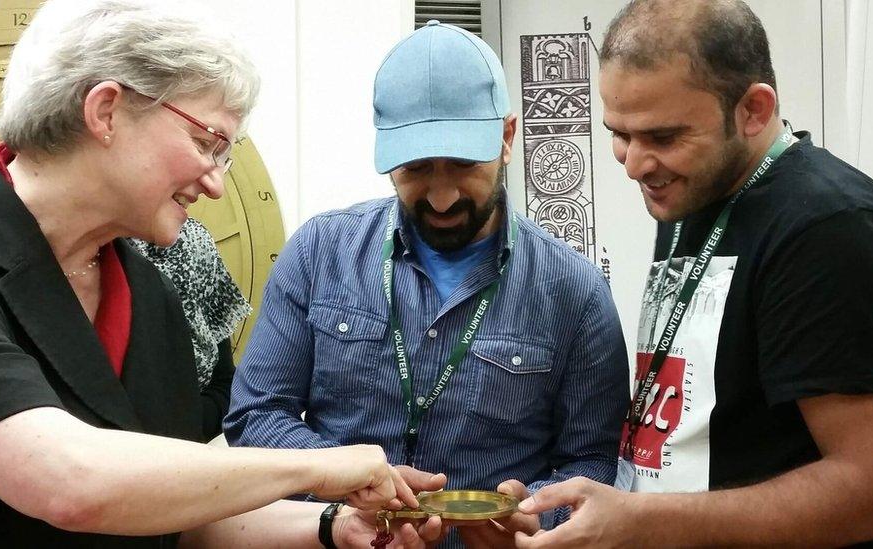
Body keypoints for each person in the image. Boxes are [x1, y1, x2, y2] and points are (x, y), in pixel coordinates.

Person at [0, 0, 421, 546]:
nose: (216, 184)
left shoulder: (148, 294)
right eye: (207, 144)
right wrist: (314, 468)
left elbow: (177, 515)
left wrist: (333, 524)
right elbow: (66, 481)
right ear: (106, 110)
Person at [225, 20, 629, 547]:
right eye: (415, 169)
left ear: (507, 139)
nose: (441, 198)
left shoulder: (575, 293)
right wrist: (340, 480)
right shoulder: (318, 253)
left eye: (463, 165)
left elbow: (592, 460)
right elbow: (256, 417)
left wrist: (538, 513)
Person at [513, 1, 873, 547]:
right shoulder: (696, 191)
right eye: (620, 133)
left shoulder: (827, 227)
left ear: (753, 110)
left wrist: (643, 523)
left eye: (662, 137)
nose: (635, 164)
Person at [131, 217, 249, 440]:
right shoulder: (70, 254)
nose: (214, 188)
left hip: (184, 452)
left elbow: (223, 384)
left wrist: (176, 436)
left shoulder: (193, 241)